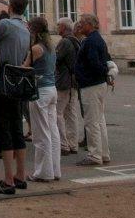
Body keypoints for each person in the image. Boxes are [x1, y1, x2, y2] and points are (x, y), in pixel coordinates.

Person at [0, 0, 30, 194]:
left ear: (11, 6)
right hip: (18, 79)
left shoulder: (5, 25)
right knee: (16, 128)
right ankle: (21, 175)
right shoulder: (26, 27)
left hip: (3, 79)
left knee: (2, 128)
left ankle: (8, 179)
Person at [26, 16, 61, 182]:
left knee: (41, 134)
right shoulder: (51, 46)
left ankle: (43, 172)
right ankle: (55, 170)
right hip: (52, 89)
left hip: (40, 91)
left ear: (33, 31)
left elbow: (24, 66)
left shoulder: (36, 49)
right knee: (53, 132)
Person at [74, 13, 112, 166]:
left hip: (91, 85)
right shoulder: (96, 39)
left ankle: (95, 154)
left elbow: (94, 63)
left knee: (91, 121)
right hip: (97, 83)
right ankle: (103, 153)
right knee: (99, 120)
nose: (80, 25)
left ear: (90, 25)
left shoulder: (90, 41)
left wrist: (86, 75)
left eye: (82, 23)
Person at [54, 18, 80, 155]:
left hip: (63, 81)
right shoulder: (76, 41)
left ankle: (63, 144)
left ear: (63, 27)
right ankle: (73, 143)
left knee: (58, 113)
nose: (57, 27)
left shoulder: (64, 42)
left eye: (58, 25)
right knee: (71, 113)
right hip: (73, 82)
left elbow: (55, 60)